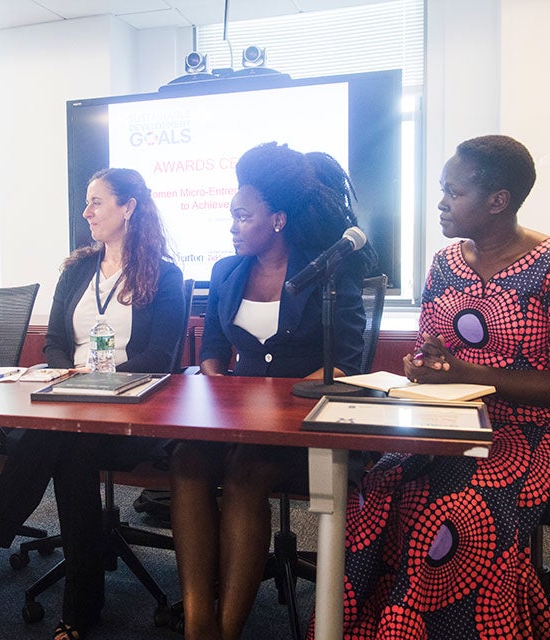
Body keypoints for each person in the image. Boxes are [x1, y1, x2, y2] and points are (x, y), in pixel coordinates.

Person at [323, 135, 550, 639]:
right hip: (450, 419)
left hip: (545, 429)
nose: (441, 202)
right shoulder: (446, 263)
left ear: (497, 201)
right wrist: (423, 366)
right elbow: (431, 349)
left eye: (453, 192)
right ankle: (377, 627)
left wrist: (465, 373)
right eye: (441, 189)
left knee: (460, 506)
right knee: (380, 487)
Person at [0, 168, 186, 640]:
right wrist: (68, 374)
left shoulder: (165, 274)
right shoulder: (76, 270)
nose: (86, 212)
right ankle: (79, 609)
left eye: (97, 202)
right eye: (86, 203)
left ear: (128, 207)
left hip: (128, 408)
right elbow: (53, 341)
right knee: (68, 448)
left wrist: (101, 381)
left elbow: (162, 355)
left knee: (65, 446)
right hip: (66, 399)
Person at [169, 142, 373, 640]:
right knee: (186, 462)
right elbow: (213, 348)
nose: (233, 226)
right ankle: (198, 623)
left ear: (277, 219)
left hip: (302, 429)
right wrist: (218, 389)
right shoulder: (226, 272)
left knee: (245, 473)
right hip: (234, 422)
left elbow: (347, 362)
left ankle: (227, 629)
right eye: (232, 216)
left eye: (243, 216)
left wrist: (283, 402)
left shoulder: (327, 273)